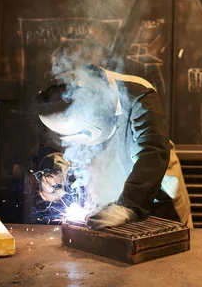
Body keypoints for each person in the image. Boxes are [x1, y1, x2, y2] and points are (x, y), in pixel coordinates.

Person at [35, 64, 192, 230]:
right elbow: (58, 150)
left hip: (157, 204)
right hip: (106, 209)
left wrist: (129, 205)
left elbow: (152, 153)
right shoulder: (58, 103)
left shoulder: (138, 94)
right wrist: (57, 172)